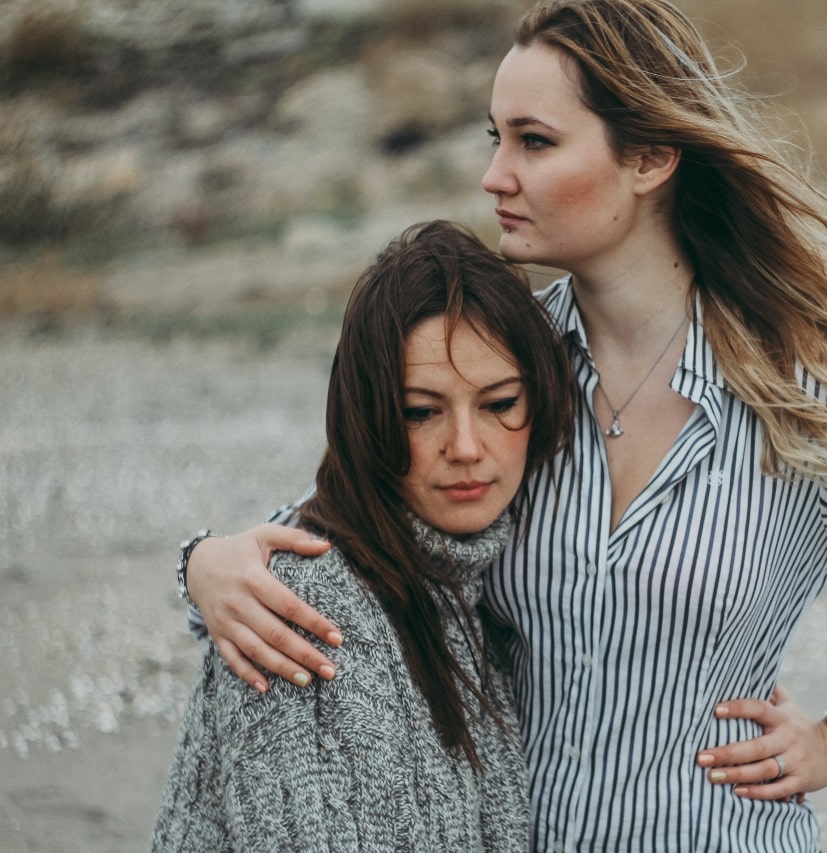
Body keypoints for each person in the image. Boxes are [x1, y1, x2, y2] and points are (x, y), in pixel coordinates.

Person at [178, 1, 827, 849]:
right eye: (497, 138)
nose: (495, 175)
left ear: (650, 158)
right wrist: (206, 564)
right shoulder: (513, 367)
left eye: (536, 141)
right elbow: (353, 519)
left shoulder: (802, 386)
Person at [151, 220, 575, 851]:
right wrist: (198, 561)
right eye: (420, 411)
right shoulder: (299, 611)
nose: (465, 448)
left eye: (499, 402)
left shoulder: (472, 575)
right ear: (368, 415)